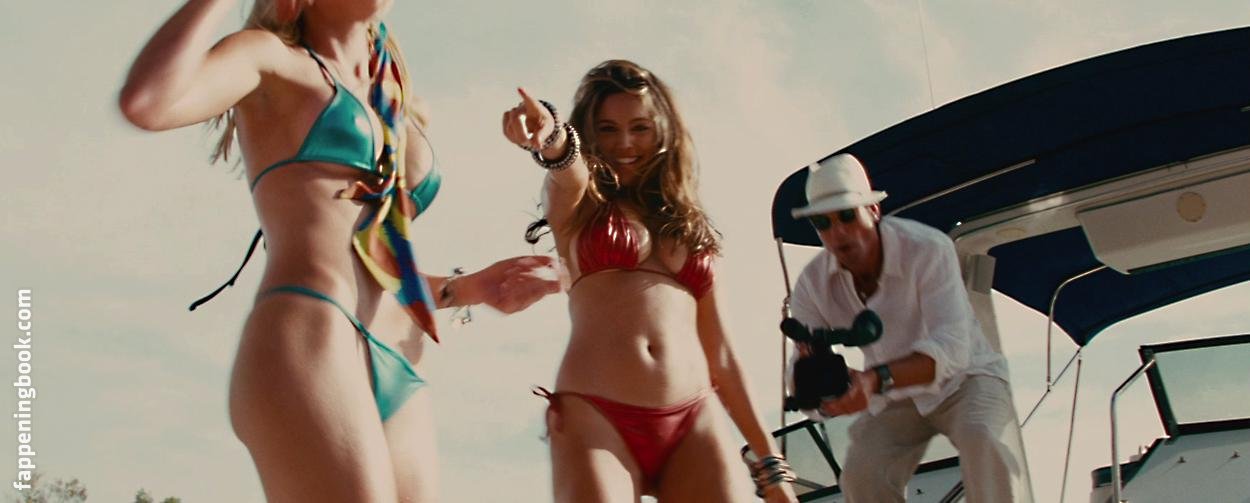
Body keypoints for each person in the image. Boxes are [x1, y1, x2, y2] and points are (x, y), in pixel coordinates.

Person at [119, 1, 559, 501]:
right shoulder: (272, 61)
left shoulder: (396, 96)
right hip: (311, 335)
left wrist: (467, 288)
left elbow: (373, 259)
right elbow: (147, 102)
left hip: (396, 355)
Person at [500, 60, 797, 502]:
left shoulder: (692, 229)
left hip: (692, 418)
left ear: (663, 132)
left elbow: (722, 355)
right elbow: (567, 165)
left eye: (639, 128)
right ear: (589, 133)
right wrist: (551, 135)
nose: (624, 143)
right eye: (607, 129)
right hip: (596, 415)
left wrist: (772, 469)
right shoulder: (578, 204)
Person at [786, 153, 1034, 502]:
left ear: (874, 211)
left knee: (982, 438)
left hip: (967, 378)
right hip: (894, 398)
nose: (837, 232)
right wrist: (827, 401)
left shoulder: (928, 248)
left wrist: (874, 380)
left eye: (847, 215)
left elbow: (952, 348)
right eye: (821, 223)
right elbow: (801, 370)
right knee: (861, 476)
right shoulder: (811, 285)